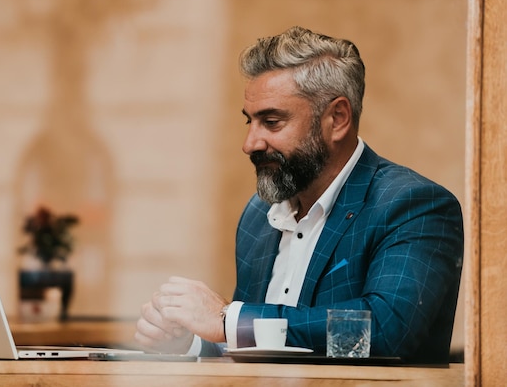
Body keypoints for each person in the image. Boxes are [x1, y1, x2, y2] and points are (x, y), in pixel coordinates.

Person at [134, 26, 464, 364]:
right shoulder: (257, 216)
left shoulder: (413, 205)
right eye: (249, 122)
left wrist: (226, 318)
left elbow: (385, 330)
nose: (250, 144)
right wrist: (189, 343)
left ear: (337, 119)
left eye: (272, 122)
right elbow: (256, 347)